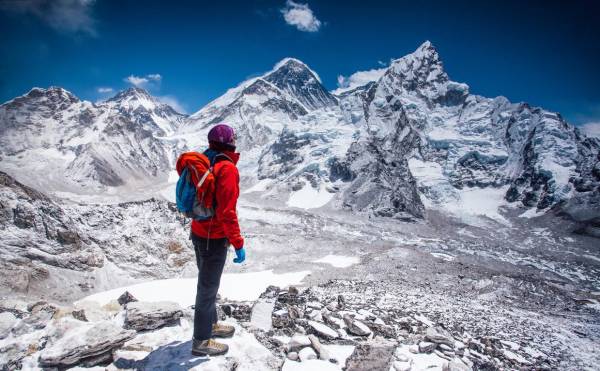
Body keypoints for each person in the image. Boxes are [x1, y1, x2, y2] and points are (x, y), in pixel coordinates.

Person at [190, 123, 246, 357]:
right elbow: (227, 212)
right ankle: (201, 341)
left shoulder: (204, 161)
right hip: (215, 238)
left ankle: (210, 325)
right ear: (229, 142)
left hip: (198, 232)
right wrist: (238, 243)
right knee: (208, 288)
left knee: (207, 285)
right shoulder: (227, 168)